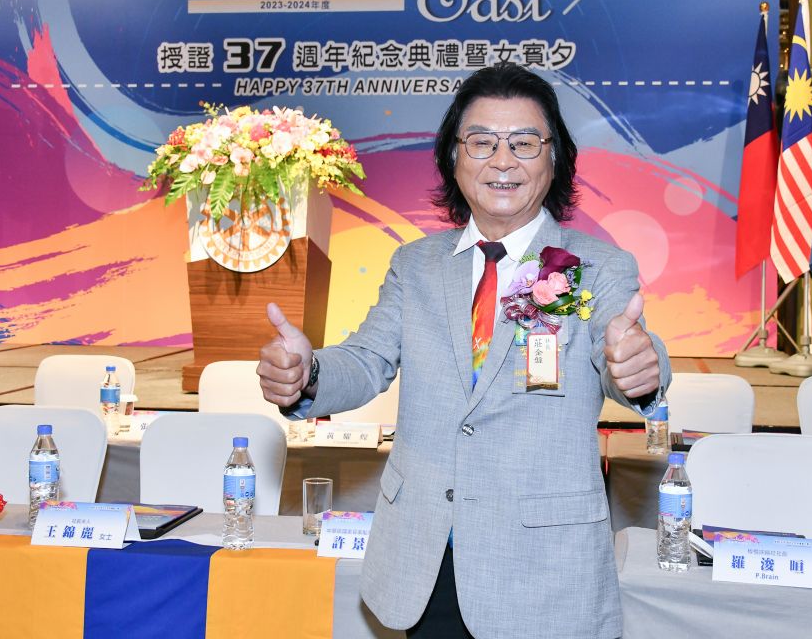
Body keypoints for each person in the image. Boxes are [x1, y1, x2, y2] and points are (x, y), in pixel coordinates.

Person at [257, 62, 670, 639]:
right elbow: (367, 360)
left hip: (544, 567)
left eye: (524, 143)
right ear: (454, 157)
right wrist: (308, 374)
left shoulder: (597, 266)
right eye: (482, 142)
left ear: (554, 159)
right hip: (428, 558)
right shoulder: (416, 265)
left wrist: (640, 369)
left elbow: (622, 350)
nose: (502, 161)